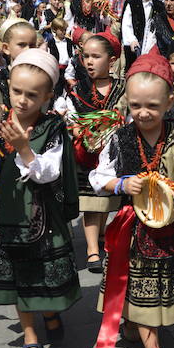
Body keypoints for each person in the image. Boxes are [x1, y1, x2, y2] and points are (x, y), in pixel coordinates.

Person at [90, 51, 174, 348]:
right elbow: (99, 176)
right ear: (127, 100)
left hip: (172, 228)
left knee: (158, 289)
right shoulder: (119, 137)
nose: (143, 113)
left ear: (170, 102)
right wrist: (122, 184)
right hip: (134, 229)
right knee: (142, 290)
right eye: (136, 105)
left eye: (152, 106)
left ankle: (137, 327)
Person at [0, 49, 81, 348]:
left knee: (42, 276)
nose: (22, 100)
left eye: (32, 95)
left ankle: (49, 311)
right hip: (6, 215)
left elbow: (50, 171)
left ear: (48, 96)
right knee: (20, 277)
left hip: (42, 215)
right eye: (17, 92)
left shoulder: (51, 129)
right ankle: (31, 335)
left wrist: (24, 148)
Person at [61, 32, 125, 274]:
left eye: (96, 56)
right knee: (90, 202)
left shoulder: (122, 89)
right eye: (85, 56)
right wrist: (77, 129)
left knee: (105, 202)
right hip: (86, 155)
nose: (89, 61)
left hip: (112, 156)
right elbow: (70, 116)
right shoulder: (78, 91)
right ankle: (92, 251)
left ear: (111, 60)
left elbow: (127, 117)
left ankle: (100, 236)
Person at [121, 0, 160, 69]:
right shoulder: (132, 2)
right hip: (134, 46)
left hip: (152, 47)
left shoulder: (159, 5)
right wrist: (132, 40)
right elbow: (126, 24)